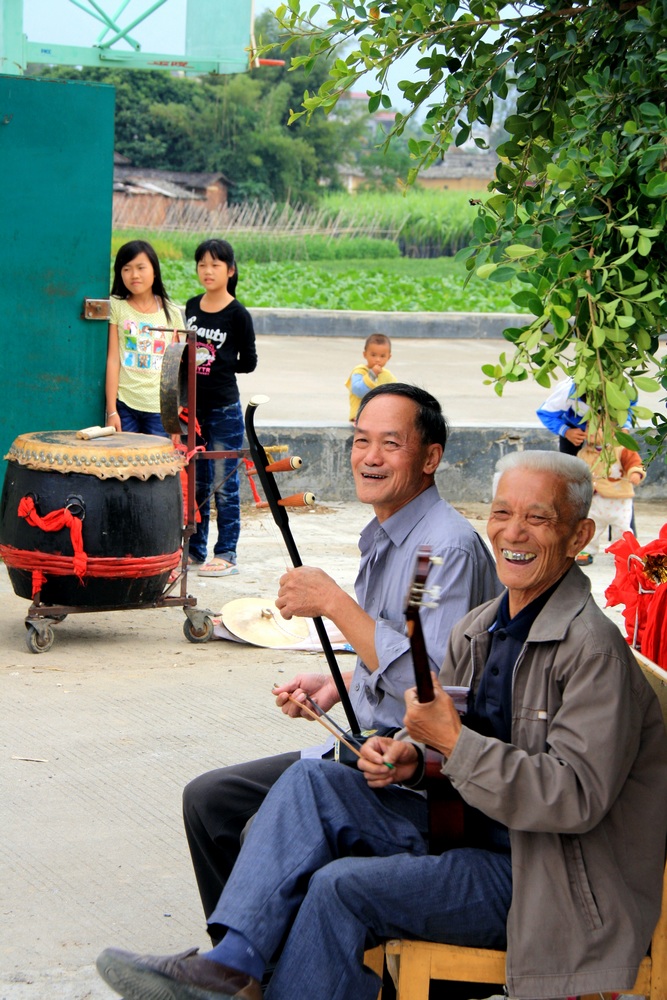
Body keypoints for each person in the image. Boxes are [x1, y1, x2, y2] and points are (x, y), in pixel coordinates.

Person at [97, 450, 667, 1000]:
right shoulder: (484, 625)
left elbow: (573, 799)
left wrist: (451, 743)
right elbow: (449, 720)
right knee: (308, 785)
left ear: (579, 537)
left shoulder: (589, 650)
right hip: (466, 829)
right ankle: (233, 964)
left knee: (340, 886)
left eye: (537, 518)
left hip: (544, 877)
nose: (513, 532)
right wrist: (415, 759)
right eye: (501, 513)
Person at [182, 383, 500, 922]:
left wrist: (334, 603)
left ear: (431, 458)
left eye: (391, 444)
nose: (369, 457)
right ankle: (247, 973)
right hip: (365, 745)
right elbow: (402, 645)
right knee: (211, 800)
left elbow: (432, 684)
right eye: (360, 441)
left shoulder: (439, 550)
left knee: (262, 823)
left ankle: (262, 963)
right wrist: (343, 682)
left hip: (413, 772)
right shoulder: (386, 535)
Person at [185, 239, 257, 577]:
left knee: (224, 485)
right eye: (202, 264)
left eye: (215, 264)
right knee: (196, 483)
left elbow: (249, 362)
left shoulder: (238, 314)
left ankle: (226, 552)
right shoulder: (190, 308)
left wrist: (220, 367)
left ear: (230, 270)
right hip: (192, 410)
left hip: (225, 410)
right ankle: (194, 551)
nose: (207, 271)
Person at [105, 239, 181, 436]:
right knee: (124, 465)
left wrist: (176, 411)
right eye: (127, 269)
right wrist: (112, 410)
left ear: (154, 271)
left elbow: (179, 368)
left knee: (154, 466)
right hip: (125, 406)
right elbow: (113, 360)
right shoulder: (116, 306)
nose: (134, 275)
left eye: (141, 268)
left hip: (159, 409)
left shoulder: (171, 313)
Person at [574, 426, 646, 565]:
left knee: (622, 528)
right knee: (590, 527)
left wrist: (636, 473)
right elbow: (576, 471)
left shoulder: (622, 448)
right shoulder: (584, 453)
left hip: (619, 500)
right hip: (595, 501)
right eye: (588, 427)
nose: (591, 431)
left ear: (611, 429)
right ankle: (587, 550)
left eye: (596, 427)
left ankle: (623, 553)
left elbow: (637, 463)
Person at [346, 332, 397, 421]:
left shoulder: (388, 376)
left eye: (382, 356)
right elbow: (358, 390)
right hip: (360, 415)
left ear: (389, 357)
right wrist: (372, 375)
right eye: (373, 355)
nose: (377, 359)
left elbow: (395, 393)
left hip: (380, 416)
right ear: (365, 354)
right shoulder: (359, 371)